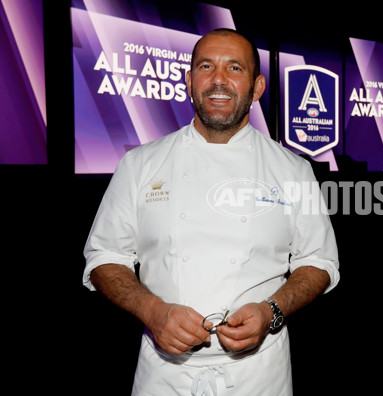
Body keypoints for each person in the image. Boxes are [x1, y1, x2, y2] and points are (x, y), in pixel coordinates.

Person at [83, 28, 340, 395]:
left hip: (260, 376)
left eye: (235, 68)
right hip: (164, 377)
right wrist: (152, 311)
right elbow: (105, 256)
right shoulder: (139, 165)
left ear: (257, 87)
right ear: (189, 81)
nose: (218, 80)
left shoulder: (294, 170)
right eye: (206, 66)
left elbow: (320, 261)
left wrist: (272, 311)